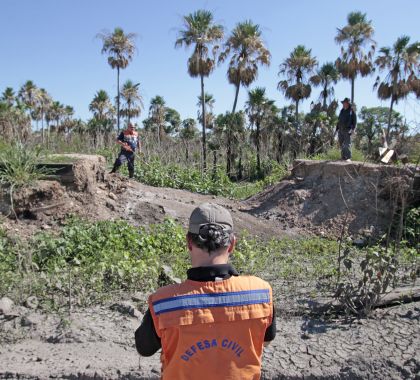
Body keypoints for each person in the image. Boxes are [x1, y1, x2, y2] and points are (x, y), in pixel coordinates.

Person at [135, 203, 276, 380]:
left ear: (189, 242)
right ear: (232, 244)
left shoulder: (163, 302)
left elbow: (144, 349)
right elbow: (266, 339)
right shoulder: (260, 293)